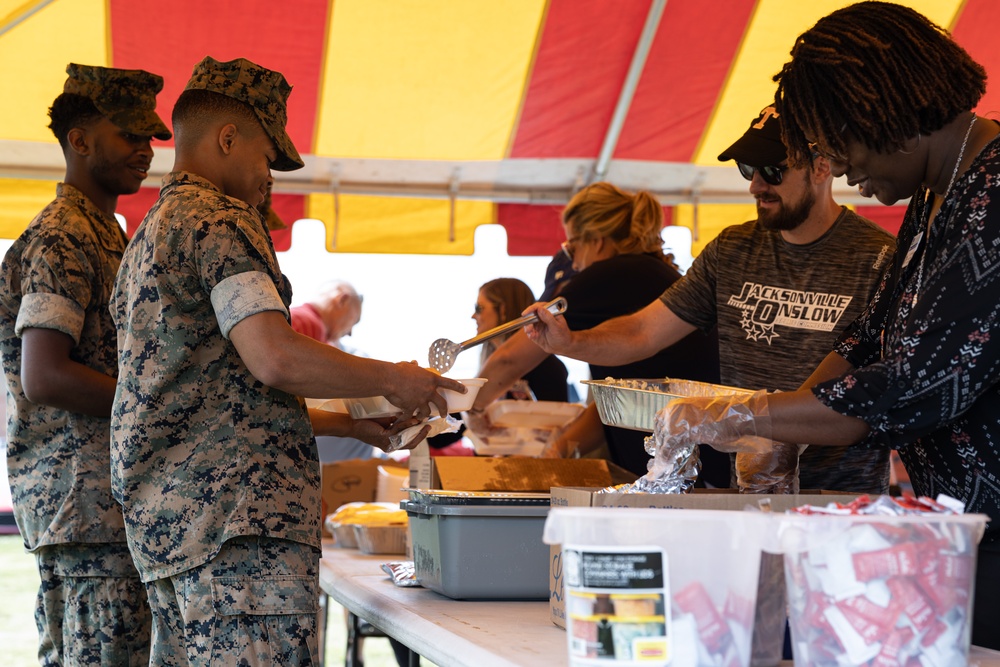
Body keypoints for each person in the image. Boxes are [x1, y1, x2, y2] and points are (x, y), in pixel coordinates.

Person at [650, 2, 1000, 648]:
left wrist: (748, 414)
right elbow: (866, 334)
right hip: (967, 536)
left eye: (839, 142)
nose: (838, 167)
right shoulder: (939, 192)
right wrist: (783, 433)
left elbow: (908, 386)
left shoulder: (994, 195)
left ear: (883, 111)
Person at [109, 56, 464, 665]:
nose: (266, 178)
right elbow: (273, 355)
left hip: (175, 527)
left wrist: (348, 425)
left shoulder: (147, 235)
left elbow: (212, 391)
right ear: (228, 138)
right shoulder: (218, 219)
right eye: (265, 158)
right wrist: (394, 379)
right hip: (236, 532)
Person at [526, 104, 896, 493]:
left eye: (772, 170)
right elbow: (642, 331)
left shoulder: (879, 258)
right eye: (746, 169)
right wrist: (571, 342)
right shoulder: (732, 251)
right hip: (751, 496)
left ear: (822, 167)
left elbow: (880, 394)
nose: (756, 185)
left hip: (843, 503)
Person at [0, 63, 171, 666]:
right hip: (85, 509)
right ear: (79, 140)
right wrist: (162, 410)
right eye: (128, 135)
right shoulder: (63, 237)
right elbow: (43, 374)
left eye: (149, 138)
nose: (144, 151)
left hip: (103, 506)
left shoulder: (102, 233)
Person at [467, 182, 721, 476]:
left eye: (572, 246)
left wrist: (472, 407)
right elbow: (619, 401)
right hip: (694, 462)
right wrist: (560, 447)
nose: (573, 261)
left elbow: (514, 356)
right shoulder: (650, 273)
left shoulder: (614, 274)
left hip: (688, 468)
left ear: (597, 241)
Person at [474, 278, 568, 402]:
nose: (473, 316)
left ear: (503, 309)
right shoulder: (488, 359)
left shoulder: (547, 367)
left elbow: (556, 417)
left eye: (478, 308)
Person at [290, 280, 364, 350]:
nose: (350, 333)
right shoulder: (311, 326)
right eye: (354, 321)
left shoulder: (297, 318)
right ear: (342, 300)